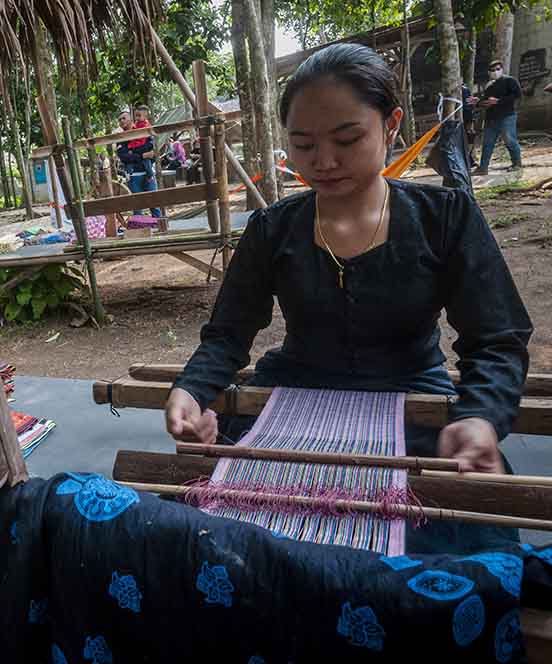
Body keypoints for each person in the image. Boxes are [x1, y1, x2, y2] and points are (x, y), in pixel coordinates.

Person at [165, 44, 532, 553]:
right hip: (289, 393)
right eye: (303, 144)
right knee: (211, 540)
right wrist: (193, 391)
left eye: (347, 138)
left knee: (467, 548)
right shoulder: (273, 229)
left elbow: (497, 338)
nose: (325, 161)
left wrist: (480, 417)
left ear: (392, 125)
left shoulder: (445, 218)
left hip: (411, 396)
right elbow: (228, 334)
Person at [471, 60, 523, 175]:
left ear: (502, 69)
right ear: (489, 72)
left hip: (507, 116)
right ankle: (483, 168)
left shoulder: (510, 80)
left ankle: (517, 164)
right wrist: (478, 102)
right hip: (491, 118)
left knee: (510, 140)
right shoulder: (489, 85)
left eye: (498, 69)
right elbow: (486, 101)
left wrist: (499, 101)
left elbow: (517, 95)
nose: (495, 72)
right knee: (487, 143)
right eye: (493, 70)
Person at [116, 107, 162, 218]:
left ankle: (161, 228)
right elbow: (124, 157)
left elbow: (150, 147)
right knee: (137, 206)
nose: (121, 121)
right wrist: (142, 155)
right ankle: (140, 230)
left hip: (148, 172)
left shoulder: (143, 130)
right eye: (120, 119)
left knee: (154, 204)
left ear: (131, 119)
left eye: (124, 118)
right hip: (133, 175)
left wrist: (134, 153)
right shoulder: (120, 138)